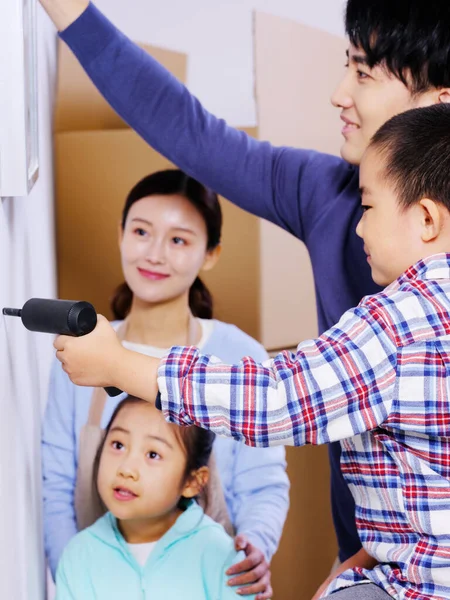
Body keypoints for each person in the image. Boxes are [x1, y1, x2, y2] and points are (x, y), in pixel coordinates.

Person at [38, 0, 450, 569]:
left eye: (363, 73)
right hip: (381, 558)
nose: (339, 93)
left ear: (438, 102)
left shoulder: (410, 314)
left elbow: (278, 398)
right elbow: (189, 130)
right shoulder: (325, 193)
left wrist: (123, 368)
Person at [42, 169, 289, 600]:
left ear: (210, 254)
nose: (154, 254)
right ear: (120, 234)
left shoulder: (239, 355)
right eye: (141, 231)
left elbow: (263, 483)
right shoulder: (81, 354)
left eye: (178, 240)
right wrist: (80, 576)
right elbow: (56, 487)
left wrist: (253, 552)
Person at [55, 395, 256, 599]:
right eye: (118, 445)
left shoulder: (220, 554)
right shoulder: (78, 556)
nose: (126, 469)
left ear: (192, 482)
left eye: (152, 454)